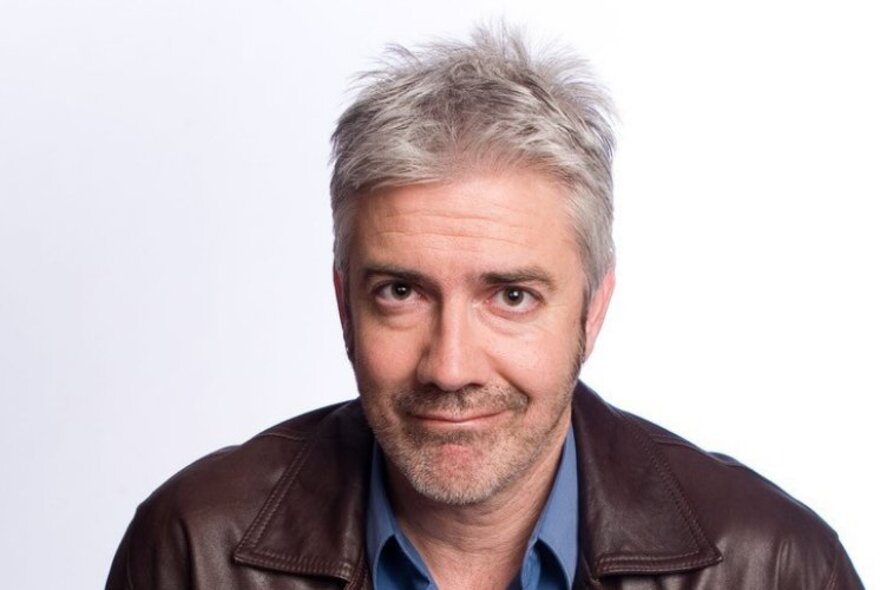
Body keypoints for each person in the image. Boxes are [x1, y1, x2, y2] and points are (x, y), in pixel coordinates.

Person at [106, 27, 864, 589]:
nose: (451, 367)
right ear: (344, 305)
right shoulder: (194, 548)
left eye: (511, 296)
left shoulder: (771, 564)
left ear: (592, 309)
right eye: (401, 292)